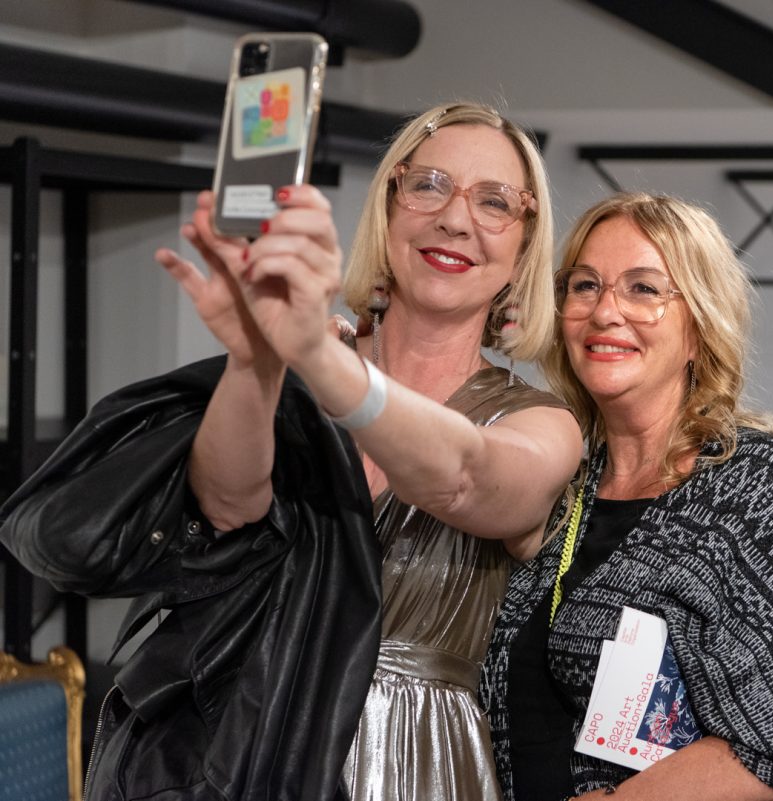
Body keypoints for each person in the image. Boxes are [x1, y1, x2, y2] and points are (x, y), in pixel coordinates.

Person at [1, 102, 582, 801]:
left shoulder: (543, 421)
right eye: (428, 183)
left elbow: (465, 477)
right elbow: (224, 504)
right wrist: (255, 362)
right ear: (389, 207)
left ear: (523, 248)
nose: (455, 218)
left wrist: (319, 360)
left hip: (420, 770)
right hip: (243, 747)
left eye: (495, 202)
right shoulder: (287, 371)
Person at [481, 192, 773, 801]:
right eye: (585, 286)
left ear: (699, 330)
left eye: (643, 289)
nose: (604, 312)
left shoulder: (751, 484)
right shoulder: (567, 483)